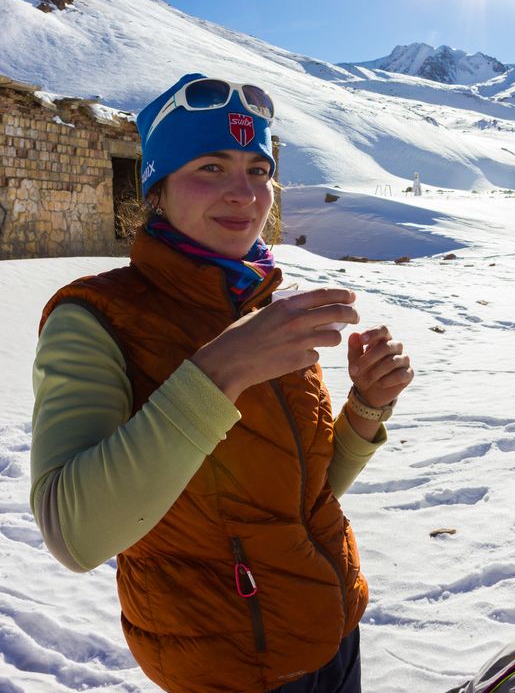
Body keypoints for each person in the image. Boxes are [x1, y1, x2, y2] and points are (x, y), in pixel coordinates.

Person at [31, 73, 414, 693]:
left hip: (333, 628)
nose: (245, 194)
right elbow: (73, 536)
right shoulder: (97, 318)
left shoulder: (261, 306)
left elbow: (302, 494)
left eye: (258, 170)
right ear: (156, 188)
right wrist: (222, 371)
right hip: (228, 665)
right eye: (210, 166)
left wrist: (367, 406)